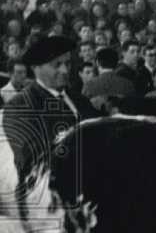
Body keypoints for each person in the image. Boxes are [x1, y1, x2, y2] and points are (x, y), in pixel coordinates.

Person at [1, 36, 98, 214]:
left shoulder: (80, 100)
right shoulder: (20, 107)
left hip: (92, 193)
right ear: (36, 68)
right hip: (51, 205)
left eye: (67, 64)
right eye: (56, 64)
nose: (64, 70)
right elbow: (32, 159)